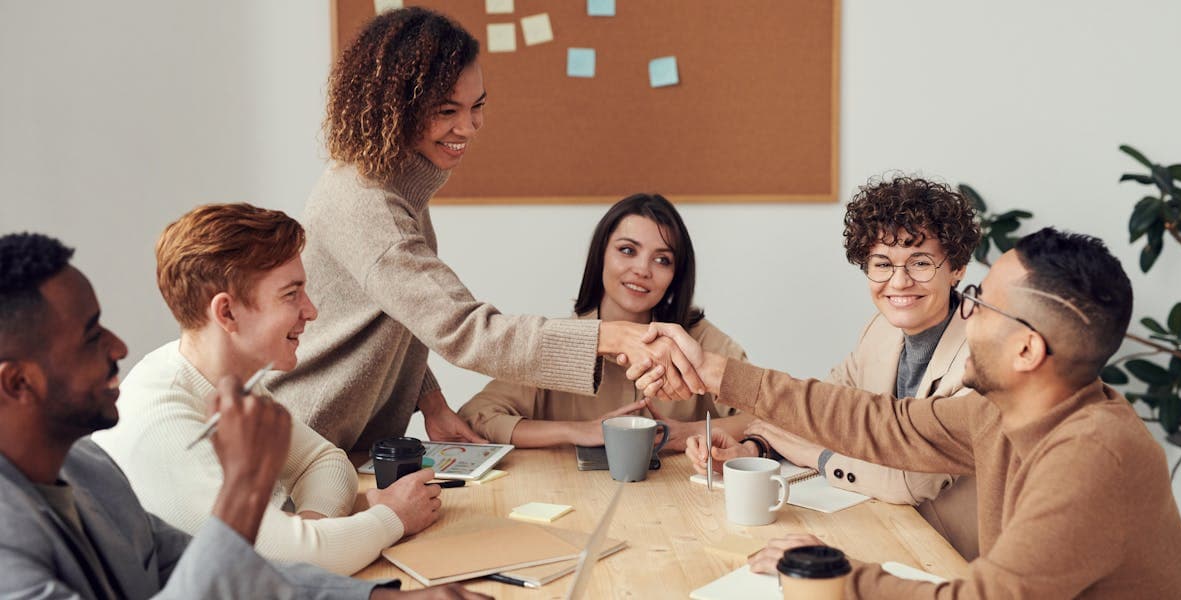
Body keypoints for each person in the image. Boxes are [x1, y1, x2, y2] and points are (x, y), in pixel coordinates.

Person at [631, 228, 1181, 598]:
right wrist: (719, 373)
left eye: (980, 303)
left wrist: (839, 577)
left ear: (1027, 350)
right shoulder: (998, 413)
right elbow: (879, 422)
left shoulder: (1093, 455)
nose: (964, 316)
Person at [269, 6, 702, 452]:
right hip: (303, 444)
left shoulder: (395, 186)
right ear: (396, 108)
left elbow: (402, 315)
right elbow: (465, 329)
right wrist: (607, 336)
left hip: (345, 446)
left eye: (477, 106)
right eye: (446, 110)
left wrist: (432, 403)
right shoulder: (370, 204)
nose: (469, 127)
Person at [0, 232, 488, 599]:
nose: (119, 347)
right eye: (91, 336)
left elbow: (221, 572)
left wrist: (381, 599)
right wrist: (246, 489)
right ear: (18, 382)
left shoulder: (87, 467)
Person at [92, 204, 440, 575]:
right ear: (226, 313)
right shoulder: (164, 423)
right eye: (291, 294)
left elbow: (324, 462)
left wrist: (310, 532)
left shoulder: (226, 378)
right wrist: (392, 517)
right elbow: (285, 563)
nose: (311, 311)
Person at [686, 176, 981, 558]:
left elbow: (910, 482)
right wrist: (754, 446)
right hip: (883, 533)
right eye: (882, 264)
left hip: (955, 559)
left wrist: (817, 456)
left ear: (956, 267)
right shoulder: (879, 331)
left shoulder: (981, 357)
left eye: (920, 262)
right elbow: (819, 410)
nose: (900, 281)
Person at [458, 194, 750, 450]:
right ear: (600, 256)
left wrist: (691, 432)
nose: (642, 270)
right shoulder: (559, 342)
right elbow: (476, 417)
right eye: (627, 250)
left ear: (677, 275)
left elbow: (772, 416)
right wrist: (579, 431)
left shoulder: (699, 340)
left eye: (662, 260)